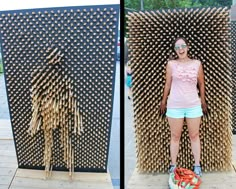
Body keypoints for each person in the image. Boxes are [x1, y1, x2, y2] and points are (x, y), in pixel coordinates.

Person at [160, 37, 207, 177]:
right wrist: (163, 102)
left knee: (194, 135)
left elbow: (201, 84)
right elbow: (168, 84)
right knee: (175, 136)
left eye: (183, 46)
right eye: (177, 47)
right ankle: (173, 166)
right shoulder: (171, 64)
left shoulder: (197, 64)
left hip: (193, 105)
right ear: (175, 50)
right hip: (175, 105)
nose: (181, 49)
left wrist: (203, 101)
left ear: (188, 47)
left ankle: (197, 165)